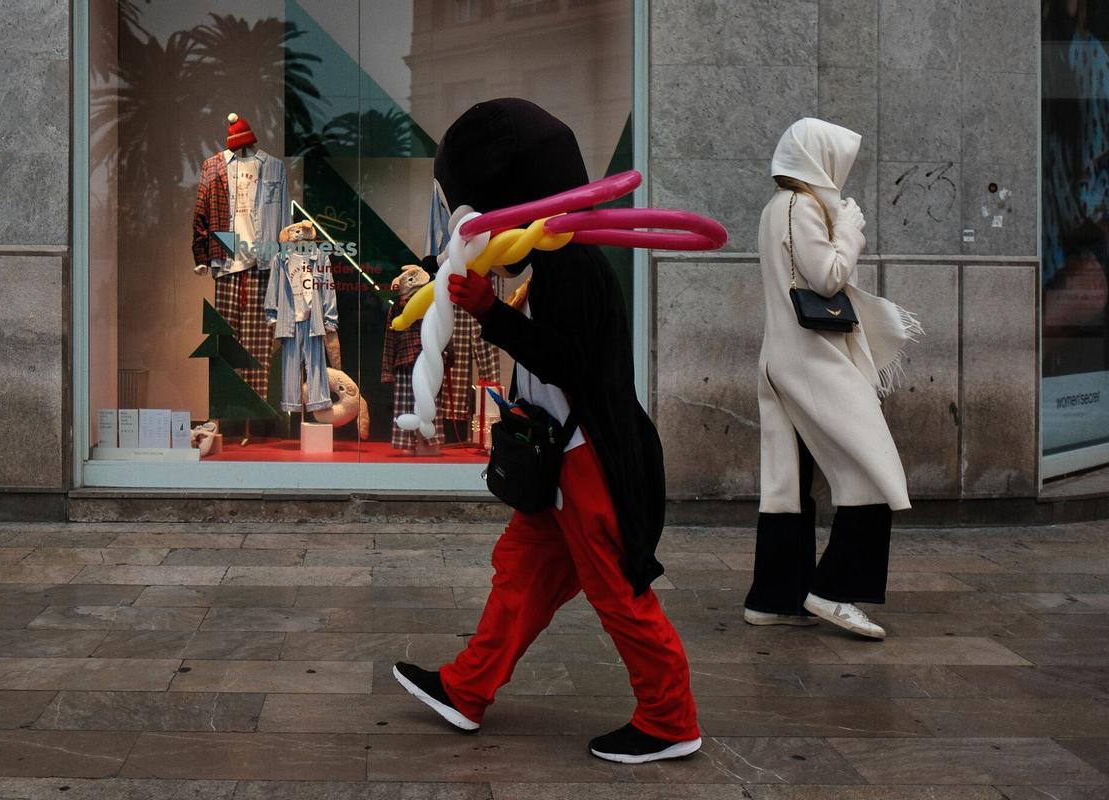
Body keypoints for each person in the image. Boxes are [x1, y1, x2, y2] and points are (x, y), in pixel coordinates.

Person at [392, 98, 701, 764]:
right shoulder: (552, 260)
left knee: (619, 593)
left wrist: (491, 315)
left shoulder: (573, 266)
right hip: (560, 460)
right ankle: (465, 689)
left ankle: (670, 719)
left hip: (588, 464)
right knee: (520, 579)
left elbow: (571, 361)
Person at [744, 118, 919, 640]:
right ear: (819, 161)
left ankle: (774, 598)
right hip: (813, 361)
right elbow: (827, 276)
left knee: (787, 486)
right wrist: (850, 229)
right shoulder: (801, 208)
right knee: (872, 471)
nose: (844, 171)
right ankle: (834, 591)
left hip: (786, 359)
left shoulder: (779, 207)